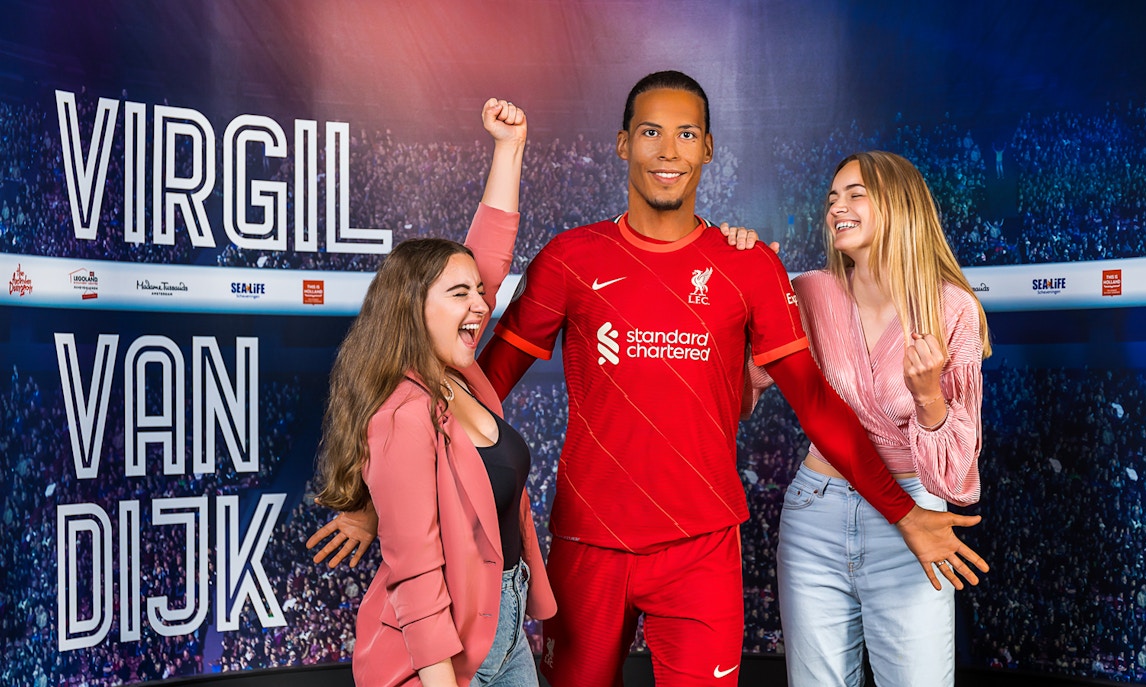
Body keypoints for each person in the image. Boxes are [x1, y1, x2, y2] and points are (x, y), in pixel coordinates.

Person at [314, 72, 986, 687]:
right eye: (651, 131)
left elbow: (816, 403)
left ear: (708, 148)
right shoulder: (570, 259)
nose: (668, 149)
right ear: (622, 144)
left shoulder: (747, 267)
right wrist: (387, 492)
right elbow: (476, 387)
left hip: (701, 551)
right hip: (586, 546)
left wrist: (904, 512)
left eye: (686, 133)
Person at [310, 98, 556, 687]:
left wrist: (509, 148)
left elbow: (488, 257)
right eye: (458, 294)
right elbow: (417, 576)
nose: (480, 304)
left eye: (480, 292)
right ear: (412, 310)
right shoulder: (400, 415)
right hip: (445, 655)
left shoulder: (461, 376)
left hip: (506, 629)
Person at [738, 151, 991, 686]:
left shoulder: (953, 308)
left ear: (900, 205)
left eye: (856, 194)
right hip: (815, 515)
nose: (837, 207)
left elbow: (957, 478)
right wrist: (740, 284)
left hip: (913, 517)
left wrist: (928, 399)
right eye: (832, 198)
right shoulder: (807, 293)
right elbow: (739, 393)